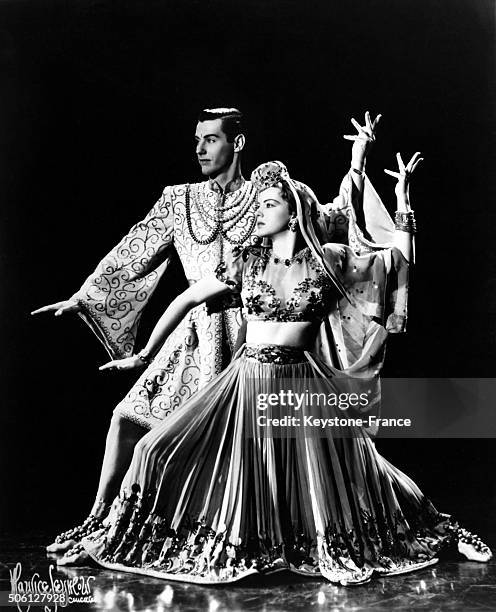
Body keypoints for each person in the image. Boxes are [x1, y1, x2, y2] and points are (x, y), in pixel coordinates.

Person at [73, 158, 491, 585]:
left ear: (294, 213)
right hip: (244, 381)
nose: (258, 209)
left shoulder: (329, 260)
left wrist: (404, 204)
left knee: (358, 473)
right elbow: (187, 298)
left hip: (299, 386)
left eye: (269, 203)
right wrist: (144, 353)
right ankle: (115, 530)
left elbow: (398, 264)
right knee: (152, 450)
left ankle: (439, 528)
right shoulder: (248, 261)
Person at [33, 108, 394, 559]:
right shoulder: (178, 199)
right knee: (128, 421)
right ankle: (100, 523)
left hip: (249, 334)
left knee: (241, 455)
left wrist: (358, 164)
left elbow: (325, 218)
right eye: (197, 139)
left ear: (236, 144)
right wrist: (86, 295)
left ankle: (227, 534)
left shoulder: (269, 196)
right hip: (193, 337)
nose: (199, 148)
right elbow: (136, 248)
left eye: (210, 139)